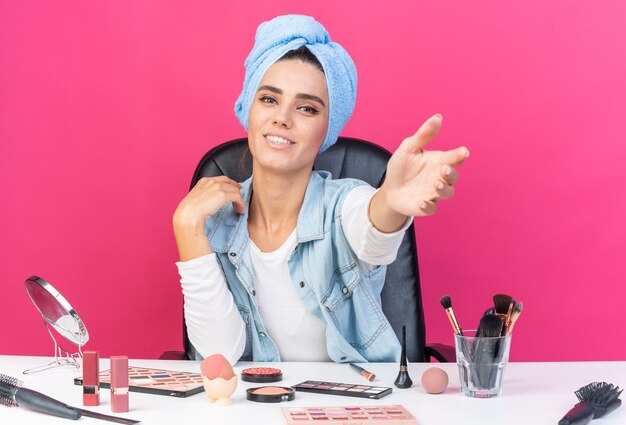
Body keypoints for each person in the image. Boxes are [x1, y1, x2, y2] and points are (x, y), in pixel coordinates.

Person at [173, 15, 469, 364]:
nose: (282, 118)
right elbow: (220, 358)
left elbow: (371, 225)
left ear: (327, 129)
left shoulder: (345, 206)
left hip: (353, 412)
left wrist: (390, 199)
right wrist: (186, 226)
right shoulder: (214, 221)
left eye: (307, 108)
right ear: (248, 110)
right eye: (268, 100)